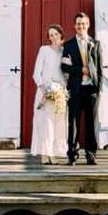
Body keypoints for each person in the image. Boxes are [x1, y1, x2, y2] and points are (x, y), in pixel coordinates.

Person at [60, 12, 103, 165]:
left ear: (88, 24)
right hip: (76, 89)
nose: (81, 26)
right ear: (74, 25)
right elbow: (64, 66)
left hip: (92, 89)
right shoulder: (69, 45)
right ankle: (72, 155)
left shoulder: (95, 44)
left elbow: (99, 69)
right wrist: (80, 70)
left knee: (91, 123)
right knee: (74, 122)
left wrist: (99, 88)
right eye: (78, 23)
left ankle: (91, 155)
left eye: (83, 23)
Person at [30, 23, 68, 164]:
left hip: (60, 92)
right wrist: (44, 89)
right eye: (51, 35)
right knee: (45, 123)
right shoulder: (44, 50)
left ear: (61, 35)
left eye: (55, 34)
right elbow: (36, 73)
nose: (53, 37)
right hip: (44, 91)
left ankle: (54, 153)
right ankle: (45, 154)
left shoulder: (65, 52)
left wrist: (63, 88)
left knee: (58, 124)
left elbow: (65, 73)